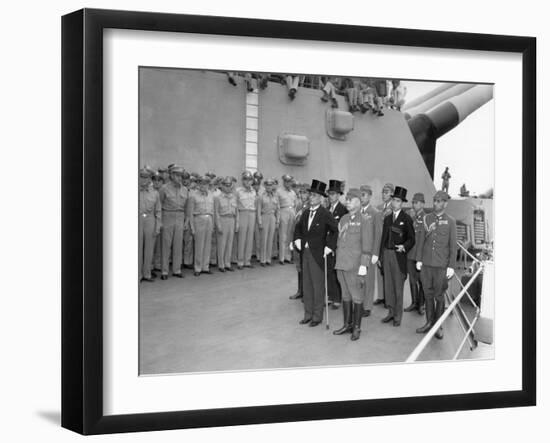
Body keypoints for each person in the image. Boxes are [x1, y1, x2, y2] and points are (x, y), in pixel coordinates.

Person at [293, 180, 338, 327]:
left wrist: (329, 246)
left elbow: (334, 230)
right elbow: (298, 228)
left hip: (318, 254)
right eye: (310, 195)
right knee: (306, 285)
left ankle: (317, 316)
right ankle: (308, 314)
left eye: (313, 195)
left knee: (317, 286)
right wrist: (297, 239)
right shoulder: (306, 212)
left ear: (320, 198)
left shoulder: (325, 214)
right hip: (305, 253)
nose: (310, 197)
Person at [333, 188, 374, 341]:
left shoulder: (365, 220)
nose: (348, 202)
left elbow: (367, 247)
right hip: (342, 263)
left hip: (355, 265)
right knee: (345, 295)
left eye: (351, 199)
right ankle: (347, 324)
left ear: (359, 201)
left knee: (357, 297)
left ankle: (357, 327)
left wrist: (364, 266)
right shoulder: (343, 219)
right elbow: (340, 240)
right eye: (347, 199)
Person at [415, 191, 457, 340]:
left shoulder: (451, 221)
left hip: (441, 266)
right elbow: (420, 240)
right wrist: (419, 259)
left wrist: (451, 266)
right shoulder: (427, 218)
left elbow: (453, 246)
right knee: (427, 294)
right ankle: (429, 322)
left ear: (445, 203)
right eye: (435, 200)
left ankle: (438, 326)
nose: (436, 203)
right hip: (426, 264)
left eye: (440, 201)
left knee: (439, 296)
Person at [379, 186, 415, 327]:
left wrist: (404, 246)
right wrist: (381, 255)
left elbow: (412, 239)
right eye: (394, 200)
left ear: (402, 203)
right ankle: (391, 312)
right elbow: (383, 238)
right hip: (387, 254)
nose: (395, 203)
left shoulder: (406, 219)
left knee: (398, 287)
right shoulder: (387, 218)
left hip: (398, 256)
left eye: (398, 201)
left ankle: (398, 316)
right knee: (388, 285)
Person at [159, 165, 188, 279]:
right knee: (166, 245)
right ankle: (164, 271)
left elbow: (186, 207)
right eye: (176, 175)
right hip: (167, 215)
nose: (179, 178)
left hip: (180, 216)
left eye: (181, 175)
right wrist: (160, 221)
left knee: (178, 245)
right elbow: (159, 206)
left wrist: (186, 221)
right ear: (171, 175)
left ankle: (177, 269)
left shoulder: (185, 190)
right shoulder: (164, 188)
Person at [359, 184, 382, 317]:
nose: (362, 198)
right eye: (360, 195)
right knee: (359, 279)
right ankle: (359, 302)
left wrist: (376, 253)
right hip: (357, 252)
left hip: (369, 253)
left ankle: (367, 306)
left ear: (370, 196)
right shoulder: (356, 212)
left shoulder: (375, 213)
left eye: (364, 195)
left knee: (368, 280)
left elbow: (378, 234)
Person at [326, 180, 348, 309]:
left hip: (337, 245)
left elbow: (343, 230)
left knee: (336, 272)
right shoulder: (326, 209)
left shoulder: (343, 210)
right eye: (329, 194)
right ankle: (330, 295)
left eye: (334, 194)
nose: (331, 196)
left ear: (339, 195)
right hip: (326, 245)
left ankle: (337, 298)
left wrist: (335, 246)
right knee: (328, 271)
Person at [405, 193, 427, 315]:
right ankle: (414, 303)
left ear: (423, 204)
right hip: (410, 254)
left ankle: (421, 305)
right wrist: (411, 218)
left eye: (417, 202)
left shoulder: (426, 218)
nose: (414, 204)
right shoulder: (411, 217)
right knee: (412, 280)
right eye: (413, 202)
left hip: (420, 255)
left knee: (422, 281)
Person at [188, 175, 215, 276]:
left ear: (208, 185)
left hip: (209, 219)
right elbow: (190, 213)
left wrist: (213, 224)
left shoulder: (211, 195)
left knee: (208, 245)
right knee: (199, 245)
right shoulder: (193, 195)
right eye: (201, 183)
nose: (204, 185)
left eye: (206, 183)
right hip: (198, 219)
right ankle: (198, 268)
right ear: (198, 184)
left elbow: (213, 210)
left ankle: (205, 267)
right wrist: (192, 227)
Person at [139, 168, 161, 282]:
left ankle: (147, 274)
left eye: (146, 177)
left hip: (150, 219)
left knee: (149, 248)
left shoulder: (155, 193)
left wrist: (157, 226)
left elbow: (158, 211)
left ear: (149, 179)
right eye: (142, 176)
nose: (144, 179)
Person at [374, 183, 394, 305]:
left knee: (388, 272)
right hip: (378, 241)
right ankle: (381, 296)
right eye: (383, 191)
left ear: (392, 193)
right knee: (379, 269)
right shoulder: (378, 207)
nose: (384, 194)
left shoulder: (395, 207)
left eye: (386, 192)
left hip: (388, 242)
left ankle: (389, 298)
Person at [289, 183, 309, 300]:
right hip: (297, 239)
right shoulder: (299, 206)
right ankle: (300, 290)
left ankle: (306, 292)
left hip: (304, 240)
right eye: (301, 192)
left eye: (305, 192)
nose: (302, 195)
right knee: (299, 266)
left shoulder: (309, 207)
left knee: (305, 267)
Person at [214, 177, 238, 272]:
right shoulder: (218, 198)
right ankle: (221, 264)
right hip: (223, 220)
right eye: (226, 185)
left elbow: (236, 212)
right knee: (222, 243)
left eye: (229, 185)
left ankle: (227, 263)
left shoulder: (234, 197)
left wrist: (237, 223)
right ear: (222, 186)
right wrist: (218, 225)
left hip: (231, 220)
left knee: (229, 243)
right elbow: (216, 212)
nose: (228, 187)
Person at [236, 171, 257, 269]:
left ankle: (247, 260)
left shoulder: (254, 191)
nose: (248, 182)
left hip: (252, 214)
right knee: (242, 238)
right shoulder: (238, 191)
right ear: (242, 181)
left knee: (249, 238)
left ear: (252, 181)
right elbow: (236, 206)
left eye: (249, 180)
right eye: (245, 180)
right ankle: (240, 261)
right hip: (243, 213)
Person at [257, 178, 280, 266]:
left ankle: (268, 259)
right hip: (264, 217)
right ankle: (262, 259)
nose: (269, 187)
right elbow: (258, 210)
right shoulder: (261, 196)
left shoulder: (275, 196)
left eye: (271, 185)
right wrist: (259, 222)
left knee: (270, 239)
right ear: (265, 186)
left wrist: (277, 221)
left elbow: (278, 210)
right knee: (264, 239)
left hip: (272, 217)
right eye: (267, 185)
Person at [277, 174, 298, 265]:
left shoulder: (293, 193)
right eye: (286, 181)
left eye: (289, 181)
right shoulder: (279, 191)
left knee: (290, 236)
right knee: (283, 236)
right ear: (283, 182)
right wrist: (278, 218)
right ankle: (281, 257)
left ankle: (288, 257)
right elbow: (277, 206)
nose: (288, 183)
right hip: (283, 211)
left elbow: (295, 204)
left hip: (291, 212)